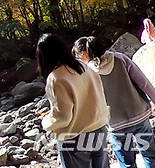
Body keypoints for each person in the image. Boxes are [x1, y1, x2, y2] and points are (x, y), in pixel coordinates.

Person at [73, 36, 155, 168]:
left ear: (84, 55)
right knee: (150, 156)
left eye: (78, 57)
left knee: (127, 163)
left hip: (116, 124)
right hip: (140, 115)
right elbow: (143, 82)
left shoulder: (88, 73)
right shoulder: (120, 58)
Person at [37, 33, 110, 168]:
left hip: (74, 137)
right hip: (99, 129)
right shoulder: (84, 66)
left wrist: (45, 122)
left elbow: (63, 117)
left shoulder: (55, 78)